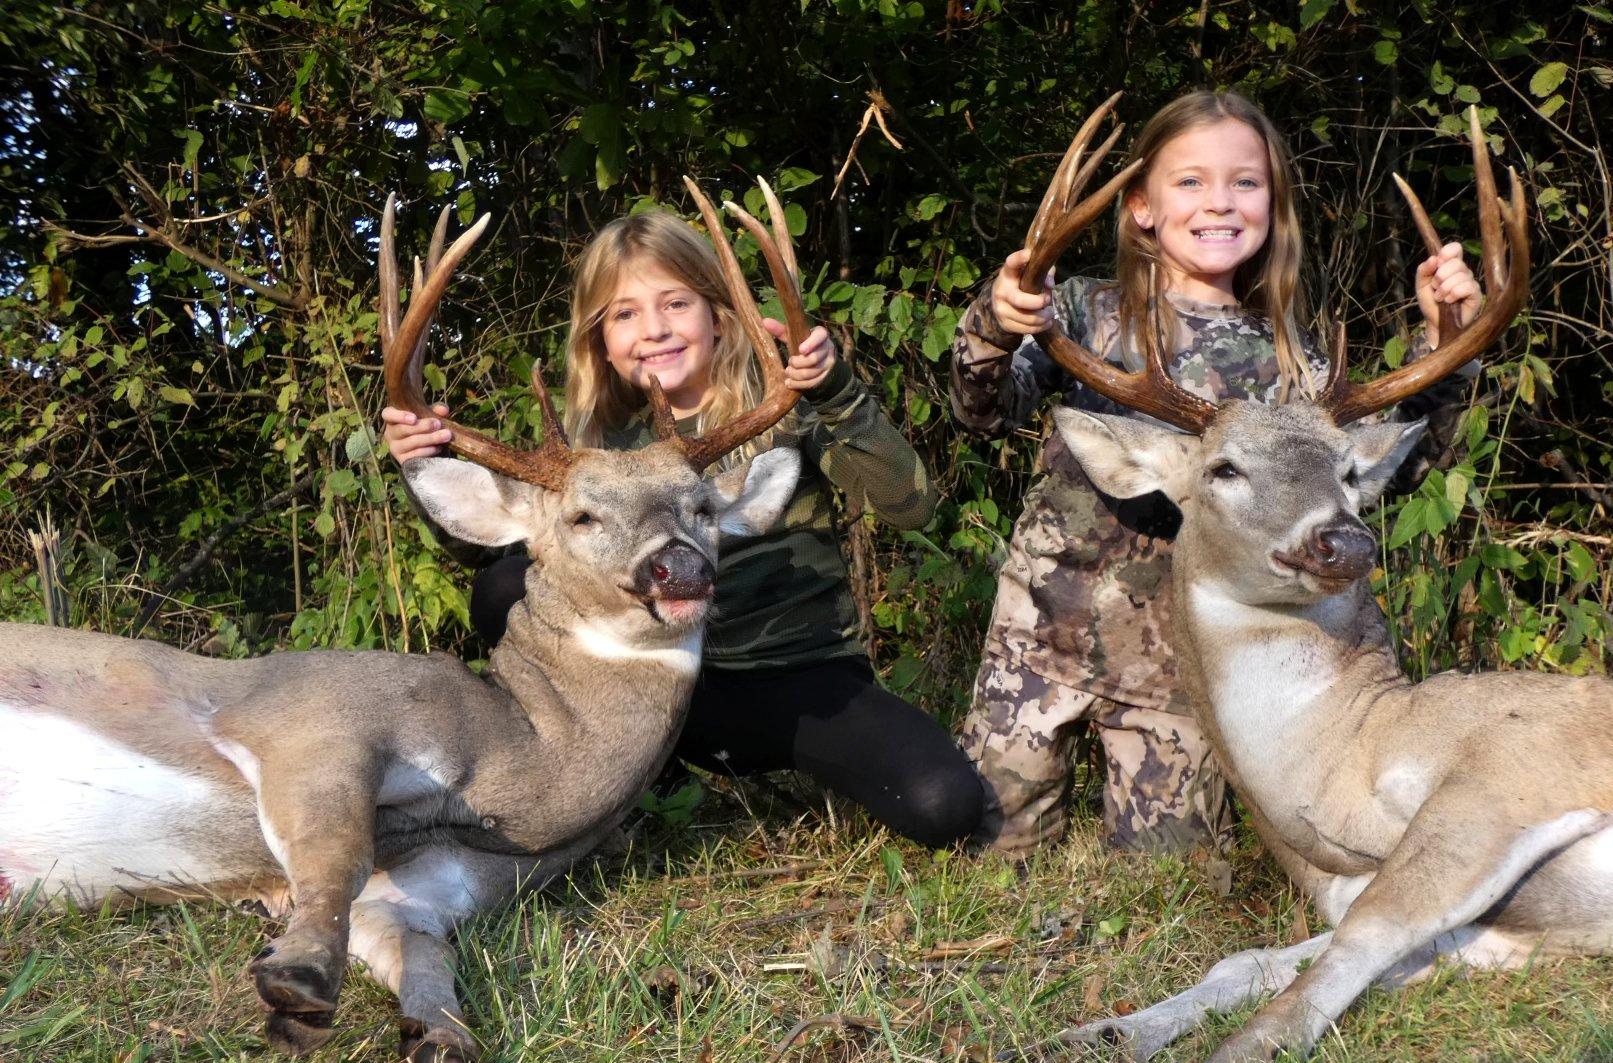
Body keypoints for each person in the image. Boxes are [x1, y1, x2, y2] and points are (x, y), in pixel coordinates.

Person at [952, 90, 1482, 862]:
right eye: (1190, 182)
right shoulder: (1079, 315)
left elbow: (1385, 480)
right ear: (1140, 206)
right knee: (989, 856)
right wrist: (996, 323)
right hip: (1041, 637)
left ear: (1274, 202)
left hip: (1182, 668)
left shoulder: (1300, 367)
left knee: (1172, 884)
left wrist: (1449, 349)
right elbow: (983, 412)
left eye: (1246, 182)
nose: (1220, 203)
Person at [384, 207, 984, 847]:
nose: (654, 330)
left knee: (942, 803)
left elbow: (912, 508)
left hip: (793, 684)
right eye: (624, 314)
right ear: (601, 344)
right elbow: (496, 545)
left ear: (719, 317)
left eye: (675, 304)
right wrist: (424, 461)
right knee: (506, 586)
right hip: (641, 691)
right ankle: (626, 790)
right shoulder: (594, 452)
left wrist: (834, 392)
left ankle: (686, 781)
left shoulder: (786, 414)